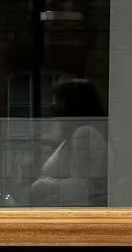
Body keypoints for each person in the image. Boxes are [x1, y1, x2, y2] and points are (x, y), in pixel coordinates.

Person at [29, 77, 108, 207]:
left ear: (71, 103)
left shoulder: (84, 133)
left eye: (58, 100)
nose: (53, 105)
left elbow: (87, 186)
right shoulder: (75, 135)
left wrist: (42, 187)